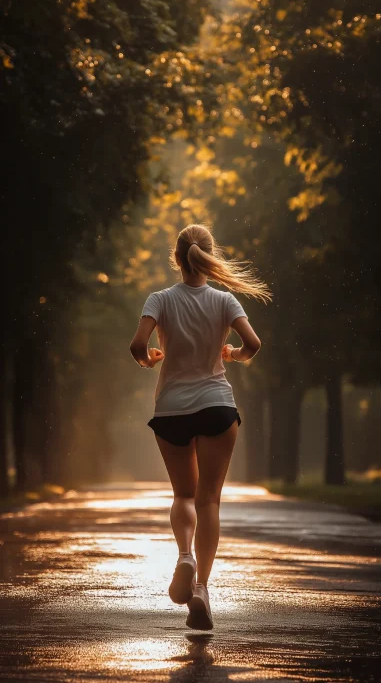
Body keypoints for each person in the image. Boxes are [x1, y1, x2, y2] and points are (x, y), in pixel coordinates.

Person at [129, 223, 271, 630]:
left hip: (172, 409)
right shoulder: (225, 301)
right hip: (216, 406)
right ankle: (202, 588)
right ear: (209, 256)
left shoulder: (160, 300)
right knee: (209, 500)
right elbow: (254, 344)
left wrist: (150, 361)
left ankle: (185, 556)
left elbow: (137, 346)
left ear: (177, 259)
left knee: (184, 495)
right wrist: (237, 355)